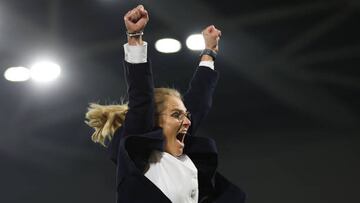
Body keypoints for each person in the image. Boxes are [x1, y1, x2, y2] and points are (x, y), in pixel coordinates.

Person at [85, 4, 246, 203]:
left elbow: (200, 99)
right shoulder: (143, 158)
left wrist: (209, 52)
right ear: (153, 121)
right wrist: (135, 37)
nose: (187, 121)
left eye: (185, 115)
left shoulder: (182, 157)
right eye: (176, 115)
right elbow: (141, 95)